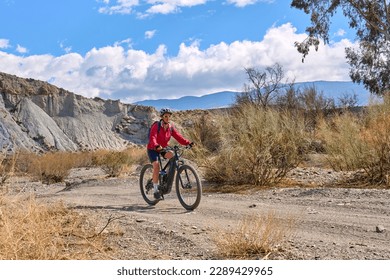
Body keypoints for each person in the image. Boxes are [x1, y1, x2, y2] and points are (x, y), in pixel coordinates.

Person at [147, 108, 194, 200]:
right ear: (162, 117)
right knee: (156, 166)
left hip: (163, 148)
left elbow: (178, 137)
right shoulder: (156, 126)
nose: (167, 118)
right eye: (165, 116)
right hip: (153, 148)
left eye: (169, 116)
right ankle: (156, 190)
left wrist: (188, 143)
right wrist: (156, 145)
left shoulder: (170, 127)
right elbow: (153, 137)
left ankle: (165, 177)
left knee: (172, 156)